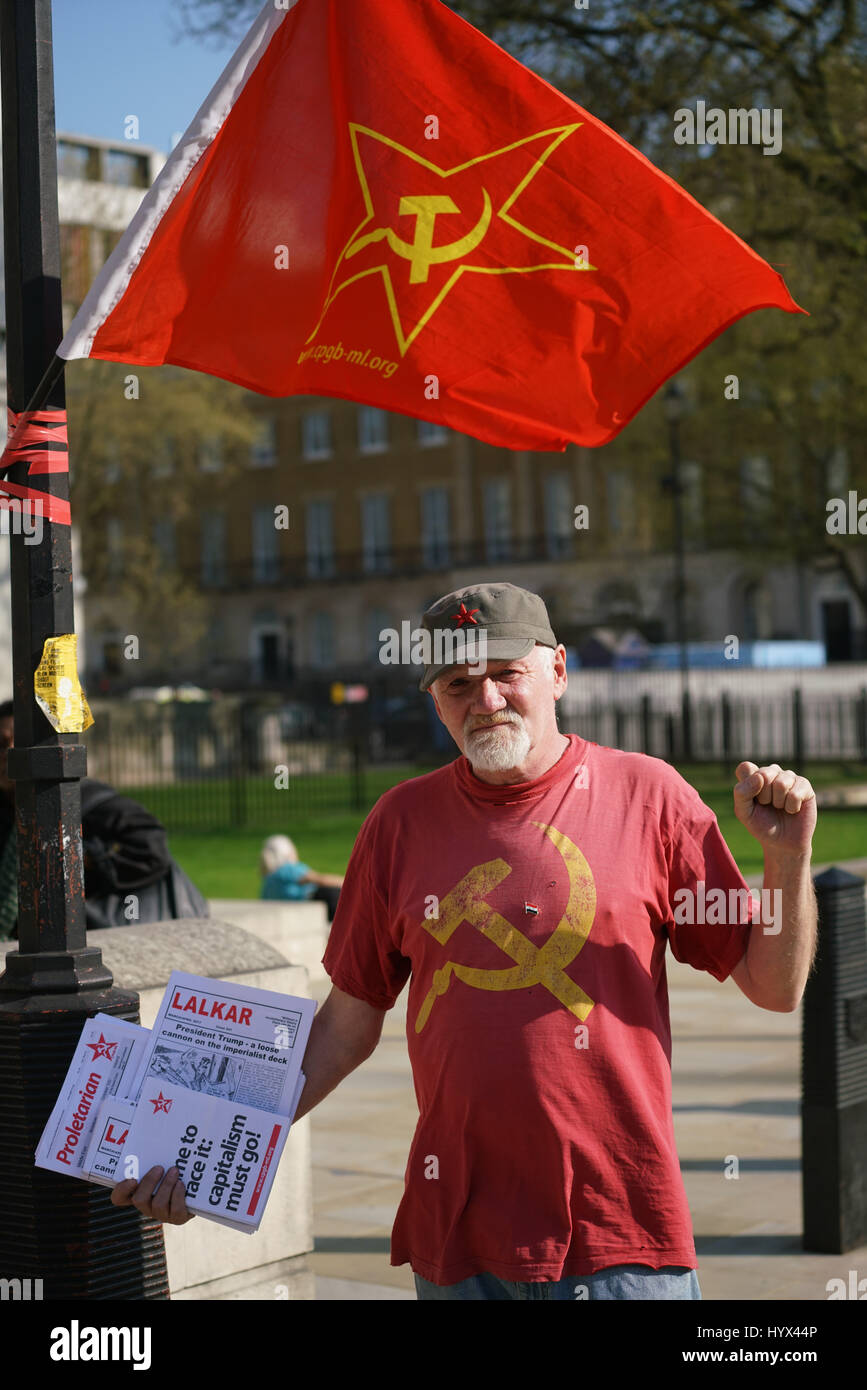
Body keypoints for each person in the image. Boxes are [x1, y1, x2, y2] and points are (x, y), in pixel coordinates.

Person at [112, 582, 818, 1302]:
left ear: (558, 672)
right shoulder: (398, 823)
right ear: (434, 699)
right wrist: (202, 1150)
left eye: (506, 673)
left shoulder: (651, 796)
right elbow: (344, 1031)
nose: (484, 701)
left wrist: (786, 861)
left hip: (620, 1237)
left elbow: (774, 986)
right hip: (457, 1244)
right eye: (457, 682)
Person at [0, 699, 208, 935]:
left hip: (112, 932)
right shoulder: (6, 813)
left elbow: (152, 848)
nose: (9, 753)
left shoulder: (82, 800)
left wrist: (84, 858)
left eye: (20, 742)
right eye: (1, 744)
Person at [259, 833, 343, 922]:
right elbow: (320, 879)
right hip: (318, 901)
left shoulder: (267, 882)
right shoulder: (287, 869)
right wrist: (348, 883)